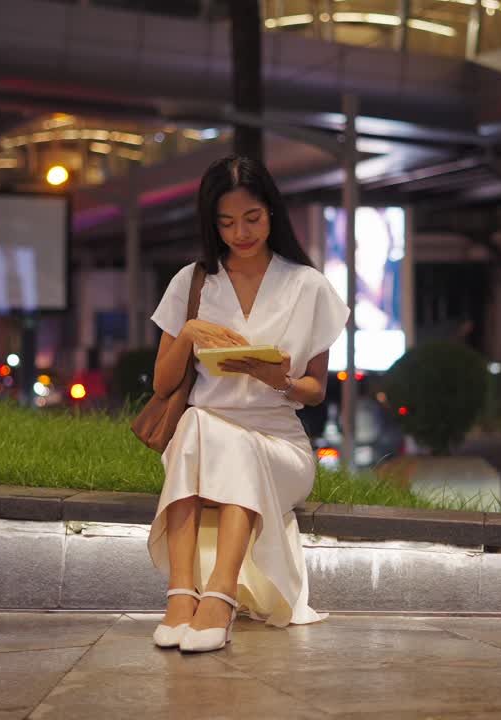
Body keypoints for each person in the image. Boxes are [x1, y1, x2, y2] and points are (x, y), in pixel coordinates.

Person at [147, 155, 349, 653]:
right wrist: (189, 333)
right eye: (227, 222)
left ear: (271, 212)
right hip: (200, 439)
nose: (241, 233)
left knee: (224, 438)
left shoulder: (308, 285)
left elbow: (316, 389)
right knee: (198, 423)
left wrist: (279, 380)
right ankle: (182, 595)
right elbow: (162, 382)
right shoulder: (193, 281)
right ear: (212, 224)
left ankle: (217, 596)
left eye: (252, 218)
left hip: (279, 445)